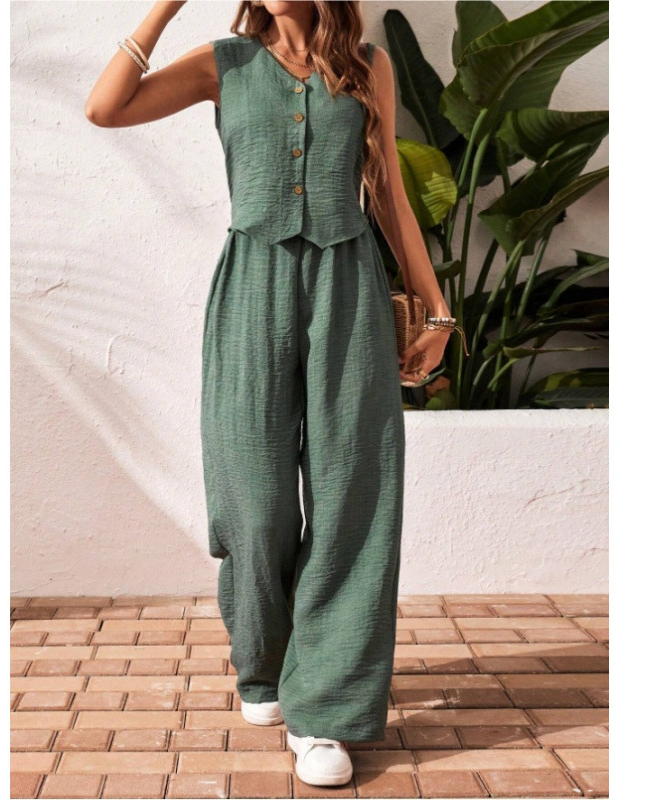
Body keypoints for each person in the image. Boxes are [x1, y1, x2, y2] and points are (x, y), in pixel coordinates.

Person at [86, 0, 458, 787]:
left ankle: (325, 709)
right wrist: (165, 7)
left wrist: (438, 312)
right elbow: (105, 108)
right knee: (251, 502)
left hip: (349, 287)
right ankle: (264, 660)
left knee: (352, 494)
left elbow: (389, 190)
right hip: (251, 288)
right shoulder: (223, 64)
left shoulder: (368, 65)